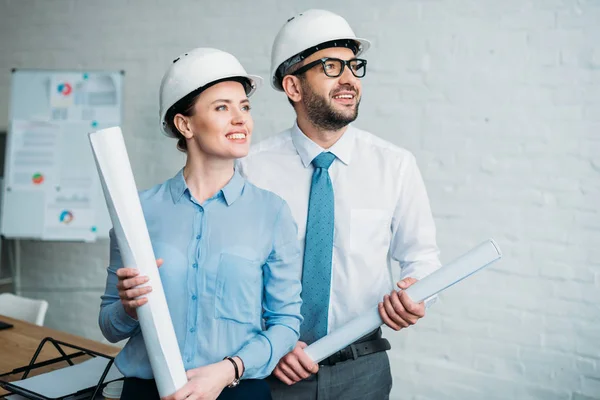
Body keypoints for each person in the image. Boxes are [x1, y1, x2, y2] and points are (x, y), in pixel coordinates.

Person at [237, 9, 442, 400]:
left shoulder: (394, 165)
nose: (350, 79)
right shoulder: (250, 169)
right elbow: (232, 276)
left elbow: (423, 258)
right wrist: (265, 344)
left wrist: (418, 293)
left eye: (353, 66)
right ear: (293, 87)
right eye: (332, 66)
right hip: (273, 369)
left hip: (363, 371)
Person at [99, 47, 303, 400]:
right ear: (185, 124)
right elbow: (109, 326)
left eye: (245, 107)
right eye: (222, 107)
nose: (240, 119)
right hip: (147, 392)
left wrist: (229, 369)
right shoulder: (137, 212)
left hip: (238, 391)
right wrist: (129, 308)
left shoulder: (272, 213)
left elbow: (286, 324)